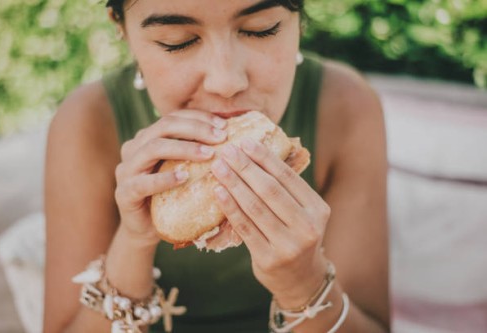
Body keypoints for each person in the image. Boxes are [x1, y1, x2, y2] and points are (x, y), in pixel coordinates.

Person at [43, 0, 390, 332]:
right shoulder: (86, 124)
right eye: (176, 42)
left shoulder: (347, 107)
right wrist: (134, 243)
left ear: (298, 18)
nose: (226, 83)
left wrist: (304, 284)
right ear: (123, 30)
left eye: (261, 29)